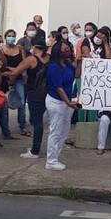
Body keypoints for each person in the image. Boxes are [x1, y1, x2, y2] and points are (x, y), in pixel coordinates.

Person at [9, 38, 50, 159]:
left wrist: (11, 83)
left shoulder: (32, 59)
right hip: (46, 92)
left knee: (37, 121)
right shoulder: (48, 58)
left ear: (35, 47)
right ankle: (36, 147)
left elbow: (14, 73)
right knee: (40, 120)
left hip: (34, 92)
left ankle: (35, 150)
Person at [45, 39, 78, 171]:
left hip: (65, 102)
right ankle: (51, 160)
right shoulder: (54, 66)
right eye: (65, 48)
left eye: (68, 48)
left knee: (64, 131)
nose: (67, 50)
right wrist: (68, 102)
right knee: (56, 131)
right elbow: (59, 88)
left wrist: (79, 61)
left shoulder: (68, 64)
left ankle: (56, 156)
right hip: (57, 101)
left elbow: (77, 74)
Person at [1, 29, 29, 137]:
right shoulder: (2, 49)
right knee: (6, 104)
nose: (11, 37)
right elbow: (2, 65)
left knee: (21, 103)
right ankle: (6, 131)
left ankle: (23, 126)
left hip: (19, 79)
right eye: (9, 35)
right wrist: (12, 69)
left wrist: (19, 72)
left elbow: (24, 63)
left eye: (13, 35)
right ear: (5, 37)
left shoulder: (20, 49)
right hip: (6, 78)